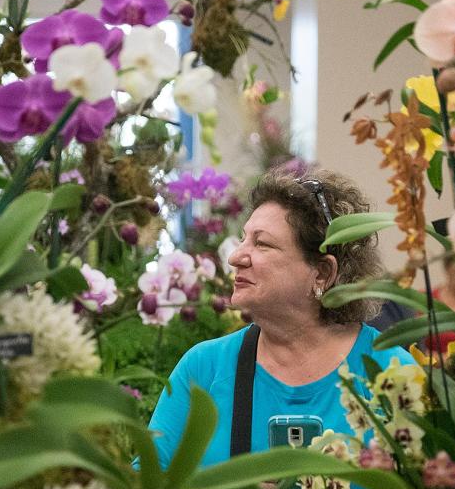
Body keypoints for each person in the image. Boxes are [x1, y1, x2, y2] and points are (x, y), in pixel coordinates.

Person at [148, 167, 413, 471]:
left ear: (322, 273)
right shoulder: (204, 368)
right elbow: (145, 483)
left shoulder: (389, 373)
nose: (236, 257)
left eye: (262, 244)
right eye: (243, 239)